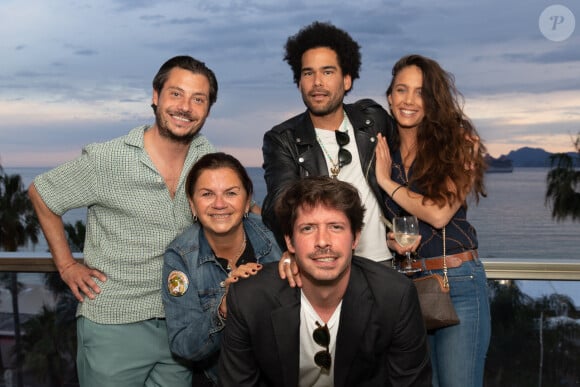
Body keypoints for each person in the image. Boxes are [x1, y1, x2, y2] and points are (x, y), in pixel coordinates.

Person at [28, 55, 219, 386]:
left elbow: (238, 210)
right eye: (176, 94)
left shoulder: (207, 157)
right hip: (114, 325)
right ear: (156, 96)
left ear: (207, 109)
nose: (185, 106)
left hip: (181, 323)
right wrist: (66, 265)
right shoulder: (109, 158)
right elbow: (42, 193)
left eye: (198, 99)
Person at [218, 176, 432, 386]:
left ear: (355, 237)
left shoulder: (394, 295)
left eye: (335, 227)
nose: (322, 241)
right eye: (308, 228)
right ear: (289, 241)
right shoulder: (250, 298)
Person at [374, 54, 490, 387]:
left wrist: (387, 182)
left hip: (458, 282)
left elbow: (439, 213)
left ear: (434, 100)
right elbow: (395, 217)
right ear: (390, 96)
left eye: (420, 92)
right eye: (401, 90)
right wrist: (391, 240)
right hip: (409, 286)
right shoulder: (386, 151)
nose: (409, 100)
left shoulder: (457, 144)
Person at [261, 21, 396, 264]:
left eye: (327, 72)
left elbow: (414, 153)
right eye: (308, 73)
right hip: (324, 264)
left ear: (346, 81)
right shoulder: (283, 139)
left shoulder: (372, 119)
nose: (317, 82)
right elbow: (279, 207)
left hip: (384, 261)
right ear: (299, 83)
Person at [162, 152, 282, 385]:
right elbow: (184, 346)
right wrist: (225, 309)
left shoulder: (276, 235)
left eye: (231, 193)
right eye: (207, 194)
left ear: (247, 201)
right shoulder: (180, 256)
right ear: (191, 203)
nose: (219, 204)